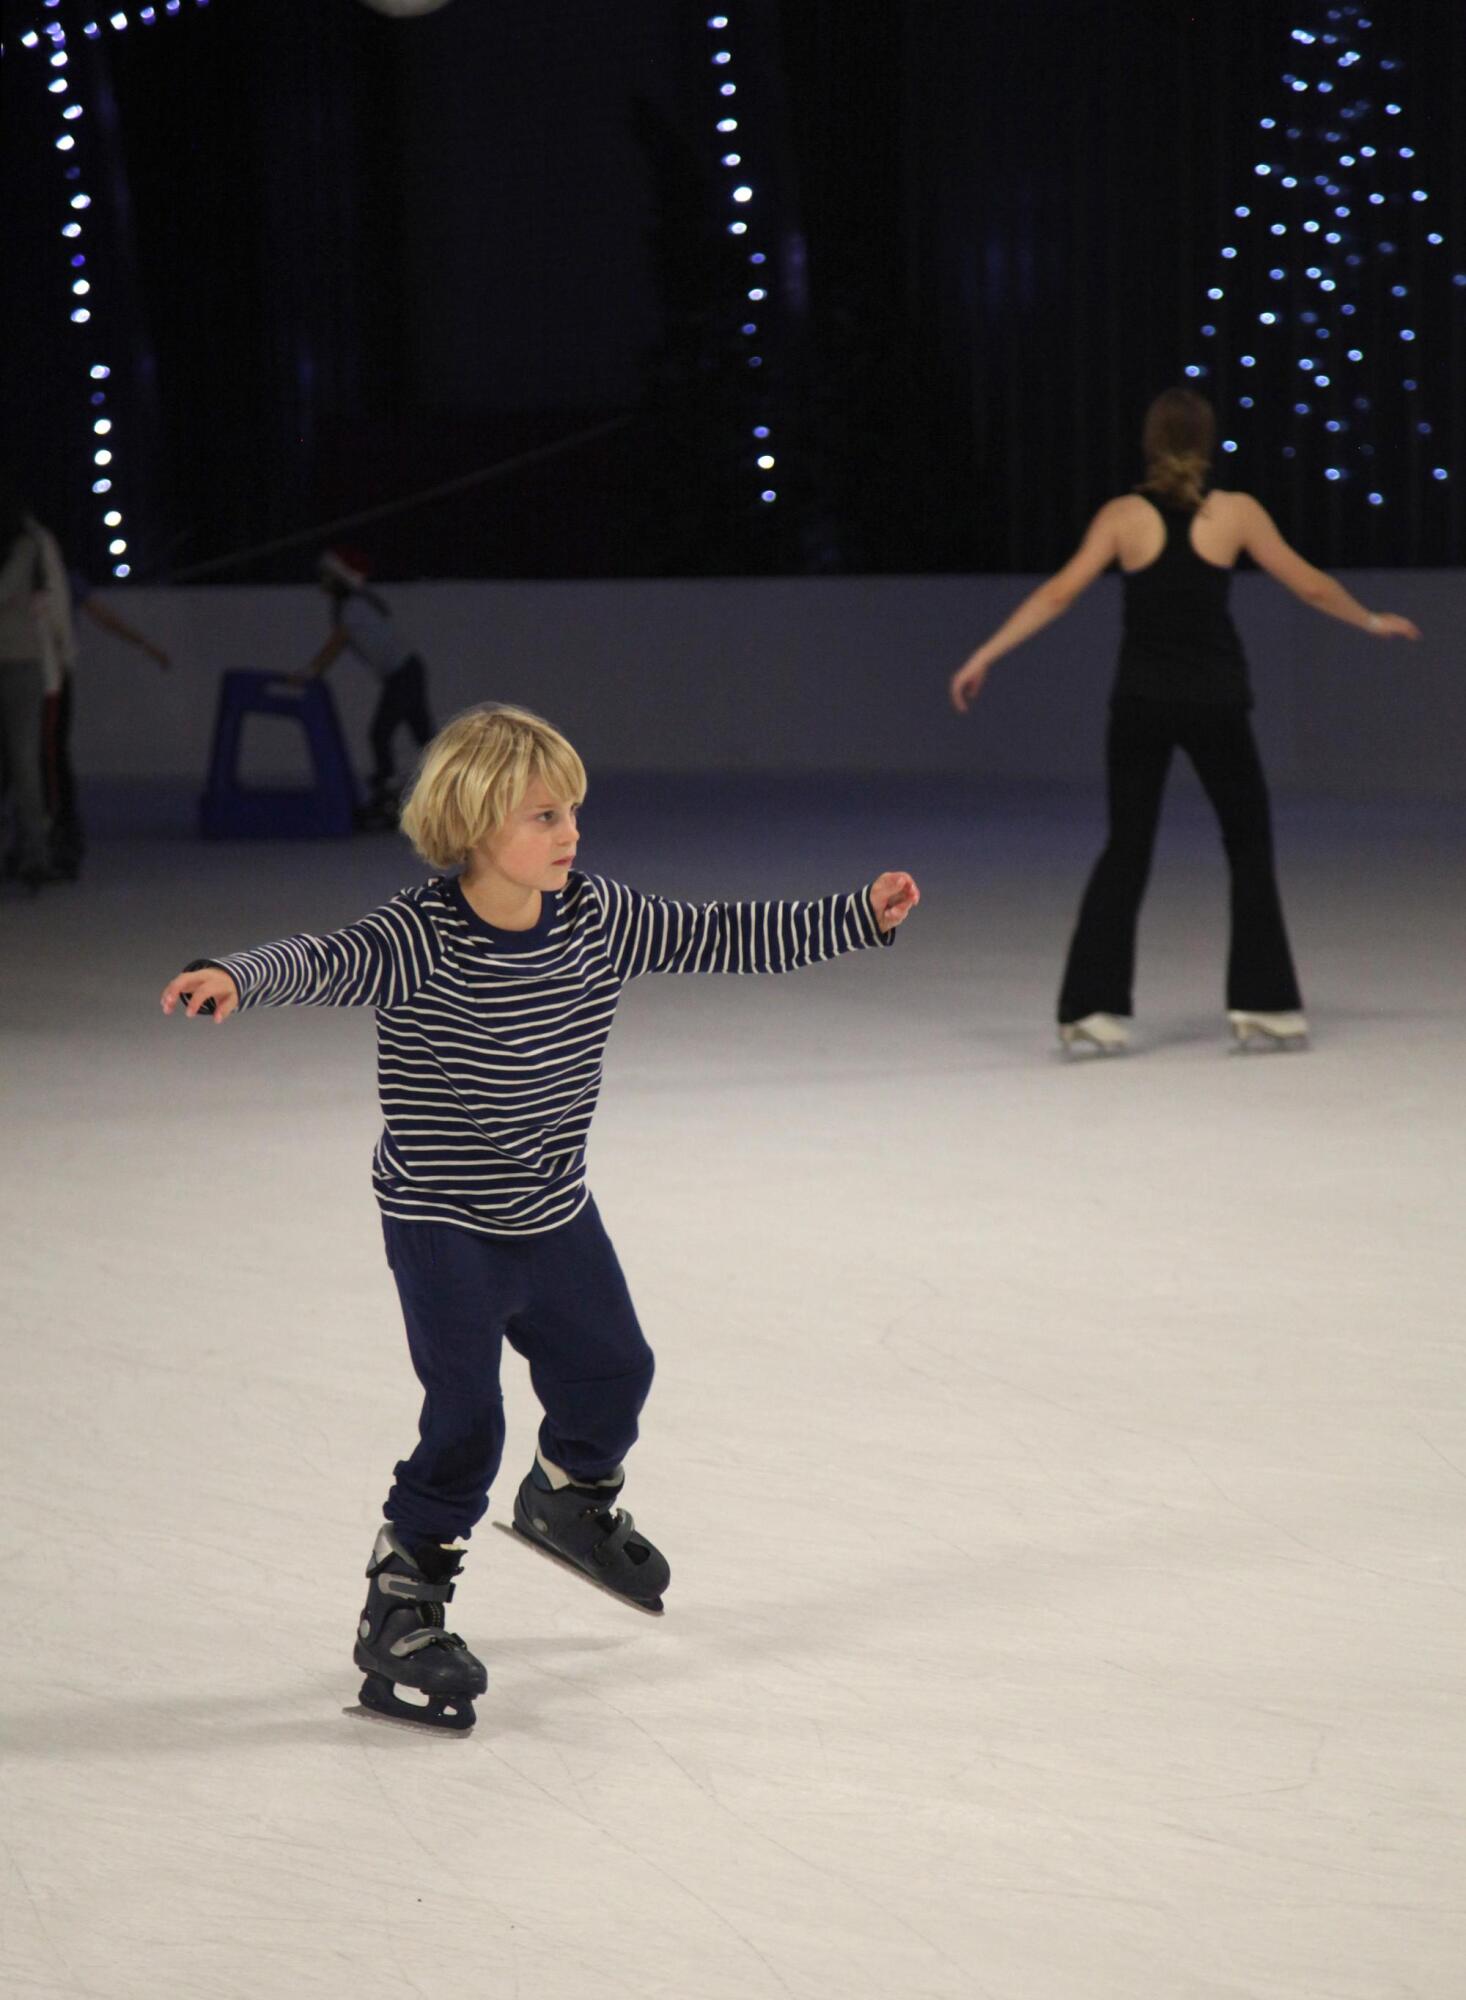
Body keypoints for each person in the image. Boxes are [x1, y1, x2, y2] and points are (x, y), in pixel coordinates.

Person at [160, 702, 920, 1732]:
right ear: (475, 826)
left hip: (551, 1205)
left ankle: (566, 1495)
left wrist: (855, 916)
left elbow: (721, 936)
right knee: (467, 1417)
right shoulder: (417, 936)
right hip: (440, 1217)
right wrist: (235, 976)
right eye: (542, 814)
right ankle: (404, 1600)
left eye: (571, 810)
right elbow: (320, 955)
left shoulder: (599, 914)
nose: (569, 831)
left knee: (616, 1370)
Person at [949, 388, 1421, 1054]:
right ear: (1205, 444)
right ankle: (1263, 1003)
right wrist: (1370, 619)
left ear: (1150, 443)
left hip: (1140, 702)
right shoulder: (1235, 514)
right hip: (1215, 701)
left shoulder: (1122, 516)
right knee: (1247, 843)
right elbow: (1309, 583)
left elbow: (1059, 592)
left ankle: (1089, 1010)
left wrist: (985, 653)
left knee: (1127, 847)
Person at [42, 566, 172, 881]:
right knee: (41, 759)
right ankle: (46, 838)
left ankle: (57, 839)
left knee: (50, 757)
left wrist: (144, 643)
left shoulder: (57, 573)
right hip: (37, 674)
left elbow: (102, 614)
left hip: (50, 676)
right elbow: (101, 614)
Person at [301, 548, 435, 828]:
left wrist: (309, 672)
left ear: (339, 579)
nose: (321, 583)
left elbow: (335, 645)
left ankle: (388, 794)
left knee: (381, 733)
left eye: (326, 577)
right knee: (423, 737)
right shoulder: (352, 606)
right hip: (405, 671)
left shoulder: (351, 608)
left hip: (404, 674)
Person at [0, 476, 63, 892]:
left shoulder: (29, 544)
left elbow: (33, 600)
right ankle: (32, 855)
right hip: (22, 659)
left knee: (24, 761)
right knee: (23, 762)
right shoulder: (30, 542)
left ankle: (35, 855)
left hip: (20, 661)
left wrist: (60, 659)